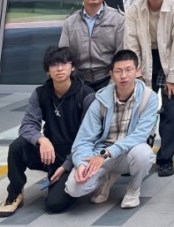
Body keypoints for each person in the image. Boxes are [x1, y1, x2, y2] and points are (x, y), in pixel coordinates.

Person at [0, 46, 96, 216]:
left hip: (74, 155)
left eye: (64, 63)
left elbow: (89, 138)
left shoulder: (86, 95)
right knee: (17, 147)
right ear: (47, 70)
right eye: (54, 65)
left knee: (55, 205)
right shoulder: (41, 93)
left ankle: (74, 182)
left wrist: (67, 165)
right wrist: (42, 140)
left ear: (72, 67)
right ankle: (15, 193)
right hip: (49, 153)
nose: (59, 69)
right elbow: (27, 125)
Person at [64, 50, 159, 209]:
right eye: (118, 71)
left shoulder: (149, 98)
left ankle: (133, 189)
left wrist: (107, 153)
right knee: (74, 188)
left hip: (128, 152)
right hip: (101, 153)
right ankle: (105, 178)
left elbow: (140, 135)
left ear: (137, 71)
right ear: (111, 74)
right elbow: (84, 139)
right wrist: (80, 163)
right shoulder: (100, 100)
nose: (123, 76)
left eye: (128, 70)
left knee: (144, 153)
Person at [124, 0, 174, 177]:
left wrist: (173, 77)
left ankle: (165, 159)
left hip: (171, 60)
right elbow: (131, 42)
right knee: (141, 109)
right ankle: (138, 155)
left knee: (172, 112)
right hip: (144, 60)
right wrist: (136, 72)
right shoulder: (134, 10)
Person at [59, 0, 126, 90]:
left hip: (108, 78)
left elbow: (121, 54)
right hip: (78, 80)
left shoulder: (118, 19)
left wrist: (112, 84)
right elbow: (63, 54)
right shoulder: (70, 22)